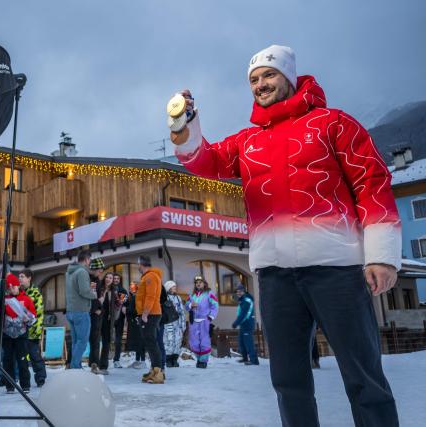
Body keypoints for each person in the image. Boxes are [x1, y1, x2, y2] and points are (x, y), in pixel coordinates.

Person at [170, 45, 401, 426]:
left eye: (269, 75)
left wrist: (380, 255)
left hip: (336, 267)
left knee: (364, 376)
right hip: (276, 274)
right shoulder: (247, 141)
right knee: (288, 380)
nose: (260, 84)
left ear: (289, 77)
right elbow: (206, 162)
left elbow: (371, 183)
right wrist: (185, 125)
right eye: (254, 79)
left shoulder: (334, 123)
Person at [2, 273, 36, 394]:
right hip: (7, 334)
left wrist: (29, 319)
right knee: (8, 360)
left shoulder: (26, 299)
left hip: (21, 334)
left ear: (18, 286)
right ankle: (9, 385)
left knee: (22, 360)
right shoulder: (4, 299)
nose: (11, 289)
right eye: (9, 287)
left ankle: (25, 384)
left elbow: (33, 316)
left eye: (13, 287)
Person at [65, 250, 97, 369]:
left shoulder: (68, 272)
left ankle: (75, 365)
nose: (90, 263)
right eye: (90, 260)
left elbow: (75, 290)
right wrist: (94, 294)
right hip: (81, 311)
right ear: (87, 259)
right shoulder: (82, 272)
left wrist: (88, 288)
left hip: (71, 310)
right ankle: (75, 366)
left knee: (75, 342)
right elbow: (84, 291)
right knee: (82, 342)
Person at [136, 255, 164, 384]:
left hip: (151, 314)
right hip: (149, 313)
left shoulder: (151, 277)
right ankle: (154, 369)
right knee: (149, 342)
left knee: (151, 342)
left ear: (142, 264)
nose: (137, 267)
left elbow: (151, 296)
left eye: (138, 264)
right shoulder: (148, 277)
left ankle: (158, 373)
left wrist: (145, 313)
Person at [19, 269, 47, 387]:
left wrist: (35, 331)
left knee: (34, 356)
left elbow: (39, 313)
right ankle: (23, 381)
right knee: (22, 358)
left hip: (32, 331)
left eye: (22, 276)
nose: (20, 279)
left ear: (29, 278)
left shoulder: (35, 293)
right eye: (19, 276)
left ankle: (41, 379)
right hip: (20, 332)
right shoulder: (18, 292)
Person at [186, 276, 219, 369]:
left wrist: (210, 317)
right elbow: (186, 305)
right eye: (197, 282)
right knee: (194, 343)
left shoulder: (209, 293)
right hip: (193, 322)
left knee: (204, 342)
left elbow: (215, 305)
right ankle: (199, 358)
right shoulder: (192, 295)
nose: (198, 284)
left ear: (204, 283)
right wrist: (190, 304)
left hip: (204, 321)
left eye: (200, 282)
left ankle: (203, 361)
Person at [88, 258, 107, 374]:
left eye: (102, 270)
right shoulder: (86, 279)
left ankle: (94, 364)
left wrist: (100, 308)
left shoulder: (98, 281)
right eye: (100, 270)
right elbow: (88, 297)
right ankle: (70, 363)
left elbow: (99, 297)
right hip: (88, 313)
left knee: (95, 340)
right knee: (81, 339)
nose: (101, 272)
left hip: (97, 315)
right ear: (93, 269)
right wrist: (96, 308)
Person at [232, 285, 258, 365]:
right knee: (241, 341)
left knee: (248, 342)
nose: (238, 293)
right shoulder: (243, 300)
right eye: (237, 291)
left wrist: (236, 323)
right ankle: (245, 358)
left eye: (240, 291)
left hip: (247, 324)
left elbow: (243, 314)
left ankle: (254, 361)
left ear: (244, 291)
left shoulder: (247, 300)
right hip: (243, 324)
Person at [162, 281, 186, 368]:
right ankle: (168, 359)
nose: (175, 288)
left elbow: (182, 312)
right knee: (168, 341)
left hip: (178, 323)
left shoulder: (178, 298)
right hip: (168, 323)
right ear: (168, 288)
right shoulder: (165, 297)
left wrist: (183, 324)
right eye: (173, 287)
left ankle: (175, 359)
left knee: (177, 341)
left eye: (175, 286)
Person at [126, 282, 146, 369]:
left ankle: (142, 361)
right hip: (136, 321)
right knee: (138, 341)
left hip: (138, 321)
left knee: (141, 341)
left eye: (133, 287)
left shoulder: (137, 297)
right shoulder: (132, 296)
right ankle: (138, 360)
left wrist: (127, 310)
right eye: (130, 287)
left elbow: (133, 310)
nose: (131, 289)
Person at [111, 273, 128, 368]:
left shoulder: (123, 290)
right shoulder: (108, 289)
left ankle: (116, 360)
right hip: (108, 317)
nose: (116, 280)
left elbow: (124, 302)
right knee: (106, 338)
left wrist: (124, 306)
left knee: (118, 339)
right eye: (114, 278)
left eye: (118, 278)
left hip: (119, 318)